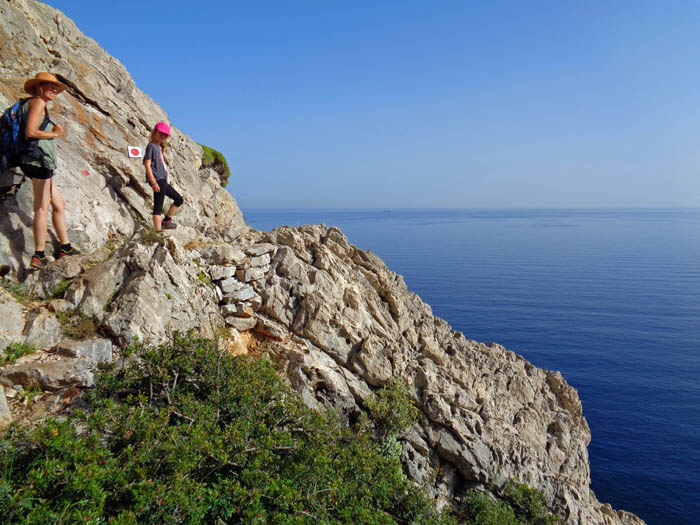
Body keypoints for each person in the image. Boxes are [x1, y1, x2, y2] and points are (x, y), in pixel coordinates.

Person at [21, 72, 80, 269]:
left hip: (41, 163)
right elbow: (30, 132)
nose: (54, 90)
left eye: (56, 87)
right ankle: (38, 255)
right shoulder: (38, 103)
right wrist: (54, 133)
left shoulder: (36, 103)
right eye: (50, 86)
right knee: (41, 207)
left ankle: (65, 247)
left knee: (60, 205)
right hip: (38, 163)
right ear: (39, 88)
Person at [143, 122, 183, 231]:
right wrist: (153, 182)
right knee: (158, 207)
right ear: (155, 132)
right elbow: (146, 164)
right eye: (161, 133)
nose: (163, 136)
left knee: (179, 199)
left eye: (166, 135)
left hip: (162, 180)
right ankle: (157, 232)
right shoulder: (151, 146)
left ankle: (166, 221)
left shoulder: (158, 147)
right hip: (157, 180)